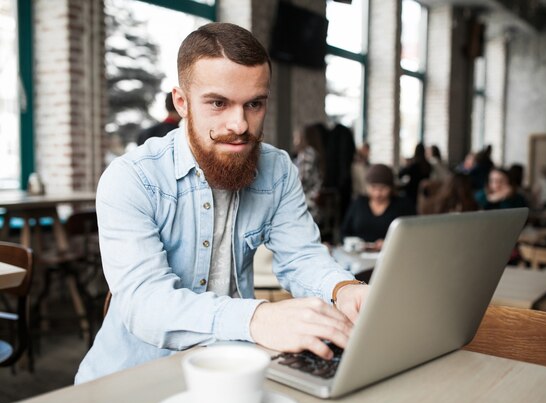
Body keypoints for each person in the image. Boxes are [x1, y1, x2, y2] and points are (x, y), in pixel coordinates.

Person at [75, 23, 369, 384]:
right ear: (181, 102)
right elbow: (146, 304)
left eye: (254, 104)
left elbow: (302, 256)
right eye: (218, 103)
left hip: (232, 371)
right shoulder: (131, 178)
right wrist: (258, 318)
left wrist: (344, 289)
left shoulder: (276, 169)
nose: (240, 124)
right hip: (131, 380)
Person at [341, 164, 415, 251]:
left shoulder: (403, 205)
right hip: (358, 254)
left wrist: (389, 243)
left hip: (391, 254)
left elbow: (412, 234)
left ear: (391, 187)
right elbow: (344, 232)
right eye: (373, 187)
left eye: (383, 188)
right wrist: (354, 244)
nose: (377, 193)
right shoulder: (358, 203)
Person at [292, 123, 325, 222]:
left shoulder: (307, 154)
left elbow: (301, 178)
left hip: (305, 203)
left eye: (297, 137)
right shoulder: (314, 152)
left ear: (304, 138)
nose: (294, 141)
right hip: (310, 202)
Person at [398, 143, 432, 209]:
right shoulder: (428, 165)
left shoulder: (414, 165)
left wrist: (406, 165)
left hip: (412, 193)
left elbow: (400, 174)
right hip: (424, 193)